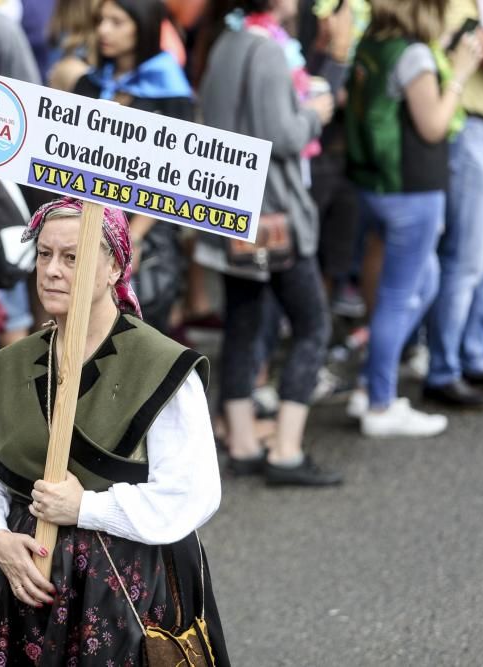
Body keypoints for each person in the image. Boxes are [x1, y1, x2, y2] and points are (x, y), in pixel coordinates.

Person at [0, 197, 230, 666]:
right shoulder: (4, 369)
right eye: (44, 254)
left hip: (128, 593)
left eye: (72, 257)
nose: (52, 270)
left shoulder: (161, 367)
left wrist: (86, 508)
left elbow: (192, 492)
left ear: (113, 267)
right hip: (25, 586)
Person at [195, 0, 341, 486]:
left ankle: (241, 441)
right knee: (312, 325)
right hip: (274, 216)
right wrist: (316, 112)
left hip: (233, 211)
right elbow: (284, 135)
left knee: (243, 320)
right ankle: (286, 450)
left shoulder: (226, 42)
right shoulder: (268, 52)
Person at [344, 0, 483, 435]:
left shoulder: (374, 40)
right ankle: (379, 406)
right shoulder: (414, 54)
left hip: (378, 186)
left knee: (422, 283)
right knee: (399, 295)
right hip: (411, 189)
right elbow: (433, 125)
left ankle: (371, 385)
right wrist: (459, 74)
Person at [73, 0, 195, 335]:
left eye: (117, 22)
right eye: (101, 20)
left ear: (143, 27)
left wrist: (134, 237)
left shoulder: (170, 92)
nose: (103, 30)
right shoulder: (89, 84)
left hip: (146, 235)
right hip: (86, 228)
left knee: (135, 344)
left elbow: (179, 175)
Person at [424, 0, 483, 406]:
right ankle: (443, 369)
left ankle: (477, 355)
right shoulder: (461, 4)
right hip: (474, 132)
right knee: (465, 260)